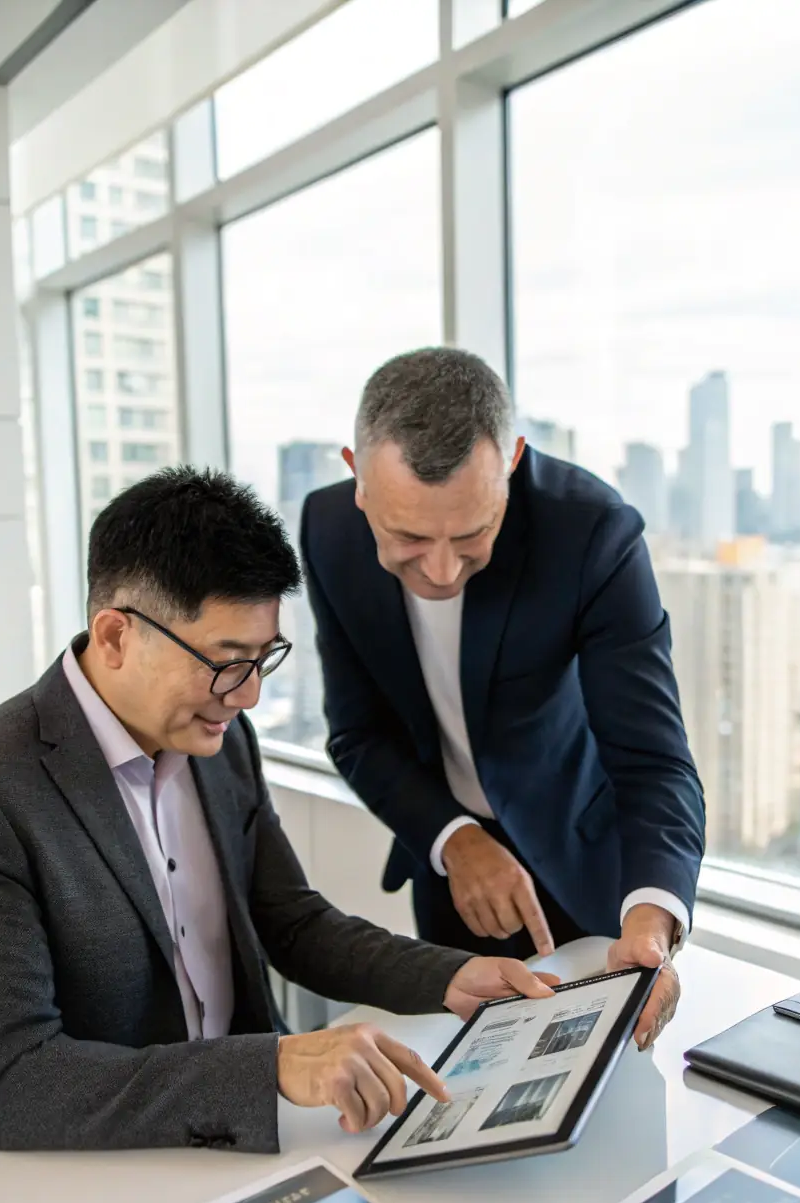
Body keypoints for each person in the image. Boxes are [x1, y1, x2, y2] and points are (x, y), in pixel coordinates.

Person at [0, 468, 558, 1168]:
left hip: (232, 1147)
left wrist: (449, 978)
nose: (246, 696)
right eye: (225, 662)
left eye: (262, 657)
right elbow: (16, 1083)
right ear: (116, 634)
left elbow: (292, 921)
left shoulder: (218, 740)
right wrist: (273, 1065)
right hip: (58, 1171)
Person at [301, 348, 706, 1050]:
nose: (441, 569)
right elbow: (357, 734)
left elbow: (653, 760)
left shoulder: (592, 533)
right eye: (408, 538)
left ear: (512, 461)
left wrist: (652, 917)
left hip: (592, 880)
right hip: (449, 872)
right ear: (356, 476)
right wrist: (454, 839)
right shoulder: (327, 530)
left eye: (471, 533)